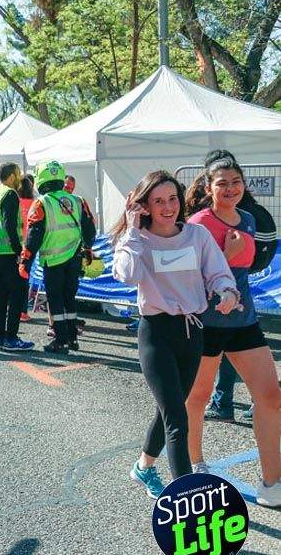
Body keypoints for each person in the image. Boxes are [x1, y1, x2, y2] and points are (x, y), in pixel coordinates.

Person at [110, 171, 239, 498]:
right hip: (156, 333)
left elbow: (218, 273)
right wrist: (133, 230)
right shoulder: (138, 240)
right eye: (158, 201)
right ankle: (187, 499)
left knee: (170, 408)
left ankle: (143, 467)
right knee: (178, 419)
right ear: (144, 205)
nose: (167, 207)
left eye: (172, 199)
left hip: (192, 332)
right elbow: (126, 275)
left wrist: (226, 292)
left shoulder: (196, 235)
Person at [183, 155, 281, 506]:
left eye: (235, 181)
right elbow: (188, 280)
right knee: (196, 398)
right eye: (221, 183)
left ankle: (272, 483)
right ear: (208, 188)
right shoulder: (198, 225)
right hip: (206, 323)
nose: (230, 188)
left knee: (271, 397)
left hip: (243, 321)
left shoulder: (249, 219)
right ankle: (195, 468)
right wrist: (226, 255)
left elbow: (247, 266)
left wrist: (234, 257)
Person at [20, 161, 95, 353]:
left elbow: (34, 235)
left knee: (55, 299)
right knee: (70, 297)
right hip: (74, 258)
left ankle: (60, 340)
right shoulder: (78, 200)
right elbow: (90, 228)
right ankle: (72, 338)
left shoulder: (41, 203)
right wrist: (88, 249)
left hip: (53, 260)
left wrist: (25, 261)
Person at [0, 164, 34, 351]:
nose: (20, 178)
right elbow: (9, 224)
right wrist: (19, 251)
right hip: (7, 250)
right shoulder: (10, 194)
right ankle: (11, 337)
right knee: (17, 292)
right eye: (18, 174)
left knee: (1, 293)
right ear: (12, 176)